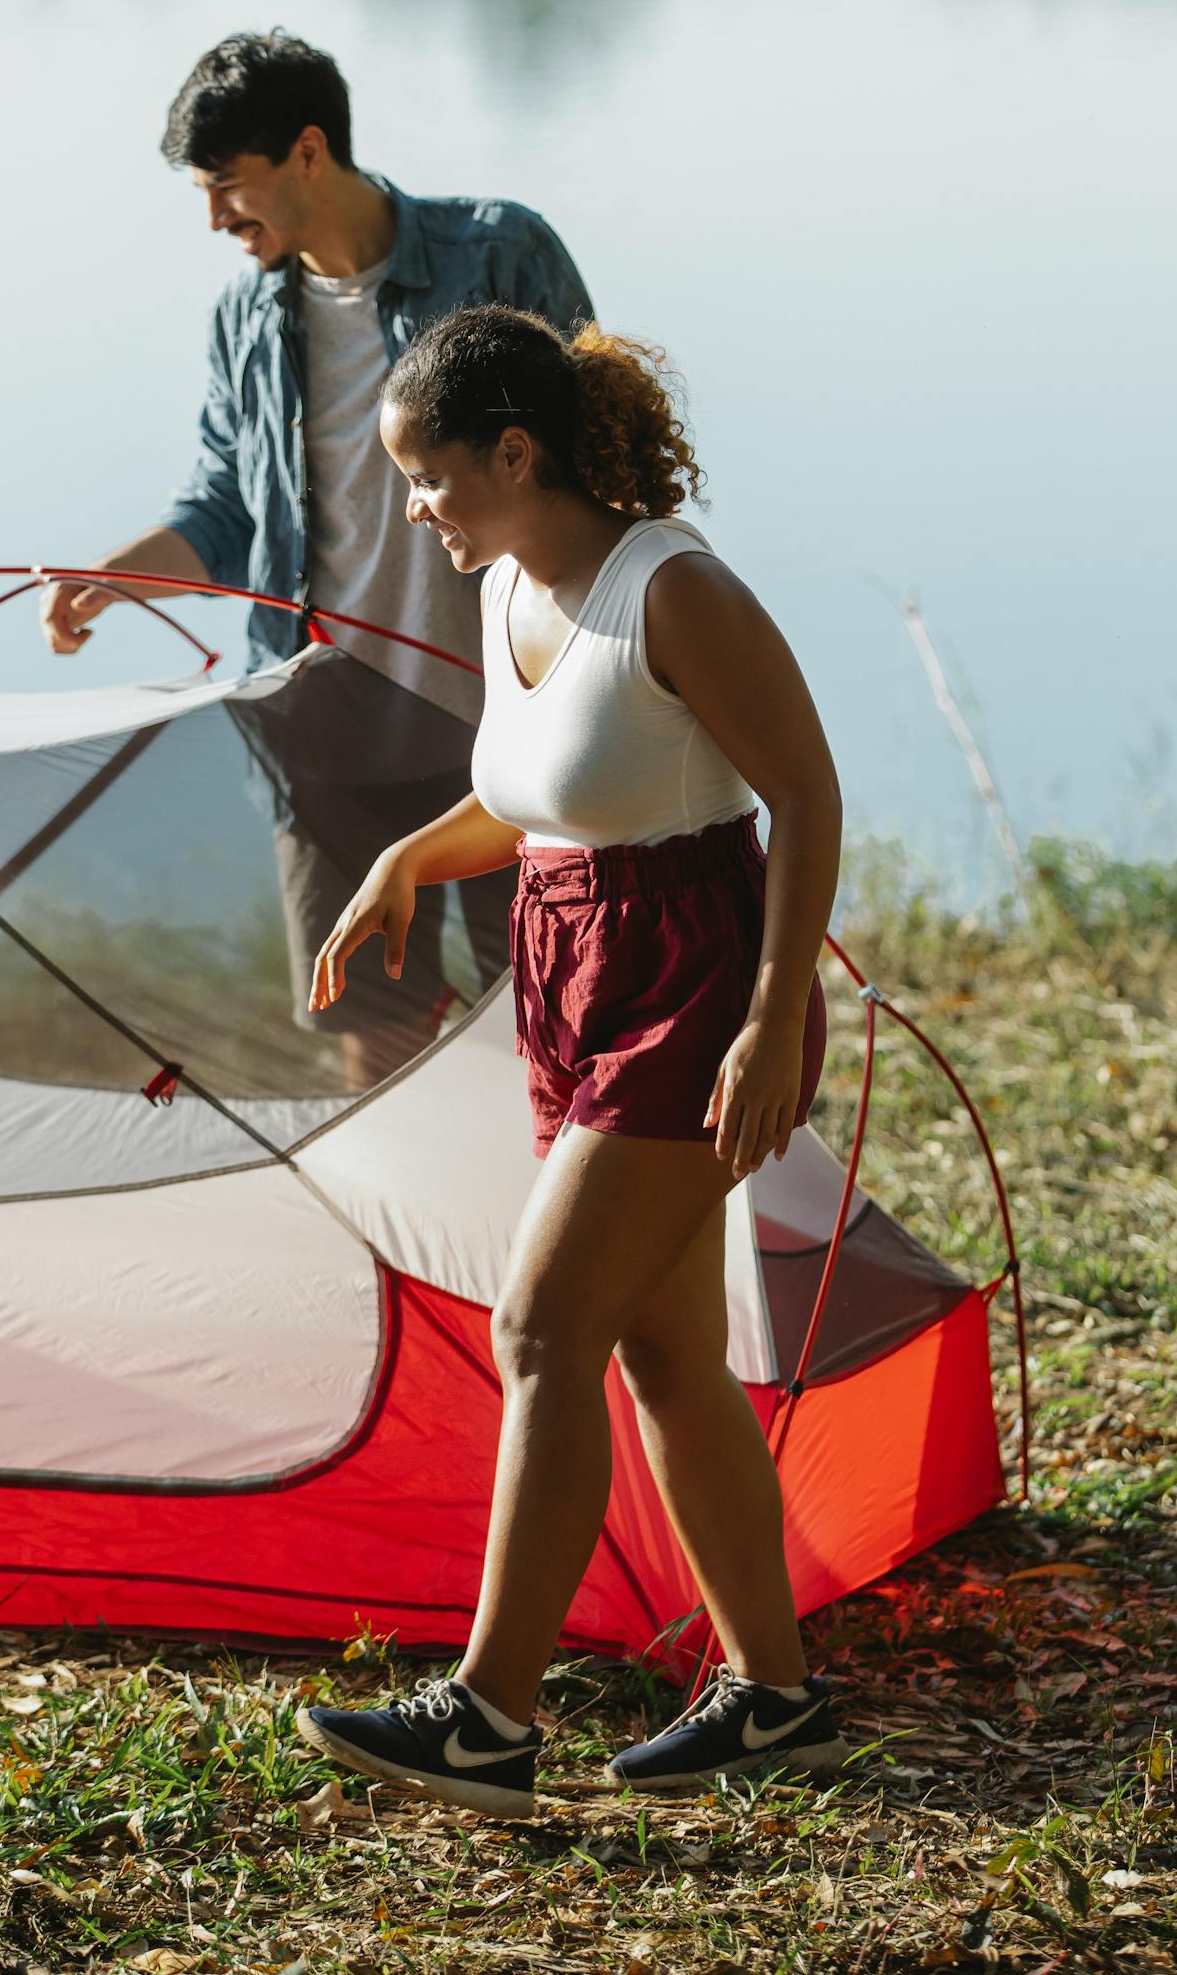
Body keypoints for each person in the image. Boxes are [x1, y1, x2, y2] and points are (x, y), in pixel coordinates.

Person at [296, 303, 847, 1812]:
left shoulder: (672, 588)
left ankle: (488, 1715)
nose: (416, 507)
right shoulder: (512, 586)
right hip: (566, 967)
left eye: (430, 476)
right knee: (666, 1355)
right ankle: (775, 1696)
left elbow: (802, 791)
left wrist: (776, 1013)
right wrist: (418, 850)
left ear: (515, 451)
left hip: (686, 975)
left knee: (539, 1330)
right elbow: (552, 791)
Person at [42, 30, 593, 1088]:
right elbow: (219, 511)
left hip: (504, 724)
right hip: (325, 734)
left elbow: (597, 448)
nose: (216, 220)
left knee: (543, 1023)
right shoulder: (246, 318)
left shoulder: (499, 257)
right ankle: (413, 1251)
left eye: (229, 188)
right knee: (374, 1038)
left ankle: (547, 1239)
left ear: (307, 151)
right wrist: (112, 580)